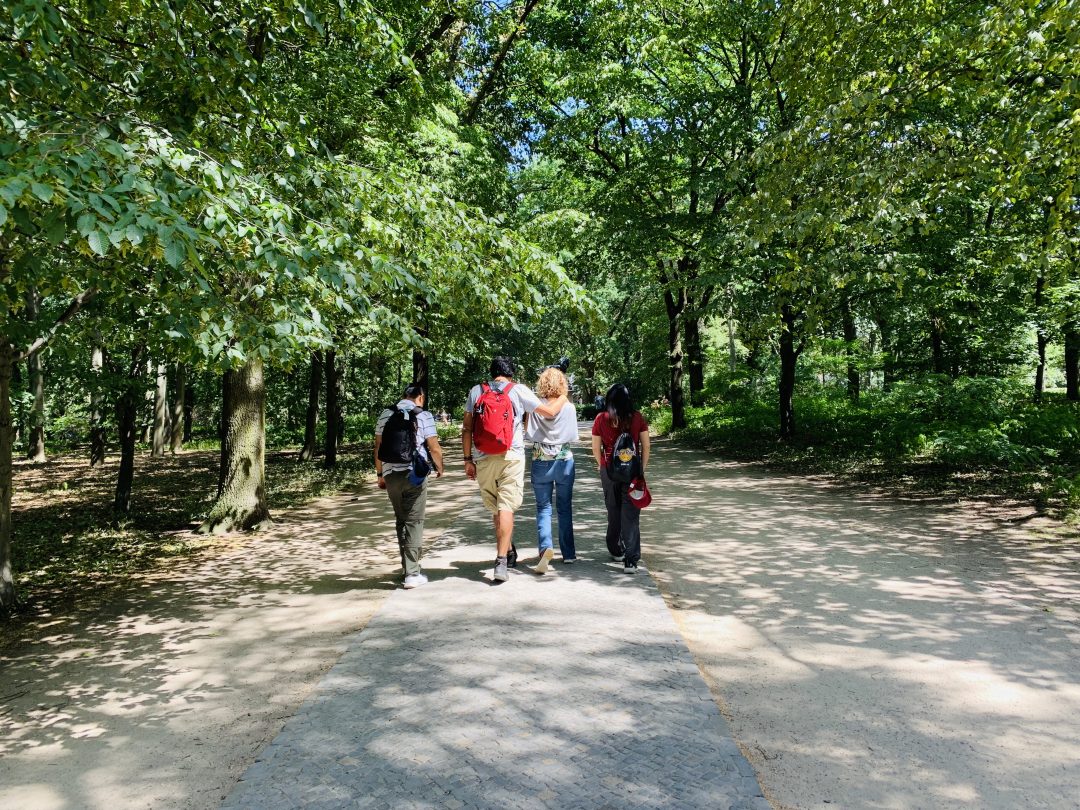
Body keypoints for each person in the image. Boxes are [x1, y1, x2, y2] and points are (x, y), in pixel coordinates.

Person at [462, 357, 568, 583]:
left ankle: (508, 550)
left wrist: (467, 459)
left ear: (493, 373)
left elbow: (467, 428)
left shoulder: (476, 391)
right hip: (511, 455)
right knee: (507, 506)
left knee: (496, 507)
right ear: (511, 373)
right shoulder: (518, 390)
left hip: (483, 457)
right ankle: (501, 561)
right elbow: (548, 412)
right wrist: (563, 396)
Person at [374, 383, 444, 589]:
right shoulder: (424, 416)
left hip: (390, 474)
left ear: (404, 395)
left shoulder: (385, 414)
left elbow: (378, 446)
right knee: (414, 520)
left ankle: (406, 567)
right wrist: (440, 467)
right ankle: (412, 574)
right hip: (415, 474)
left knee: (401, 519)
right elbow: (433, 446)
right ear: (420, 397)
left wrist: (380, 474)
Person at [591, 383, 650, 574]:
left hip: (609, 471)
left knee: (613, 510)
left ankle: (615, 549)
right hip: (632, 472)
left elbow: (595, 448)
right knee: (631, 514)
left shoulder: (601, 418)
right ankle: (631, 560)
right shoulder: (637, 417)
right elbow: (646, 446)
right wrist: (641, 469)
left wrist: (603, 466)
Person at [525, 366, 579, 571]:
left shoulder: (536, 407)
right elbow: (573, 435)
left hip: (541, 461)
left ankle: (545, 548)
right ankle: (569, 554)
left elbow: (529, 435)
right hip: (564, 461)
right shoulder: (569, 407)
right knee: (564, 508)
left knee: (543, 507)